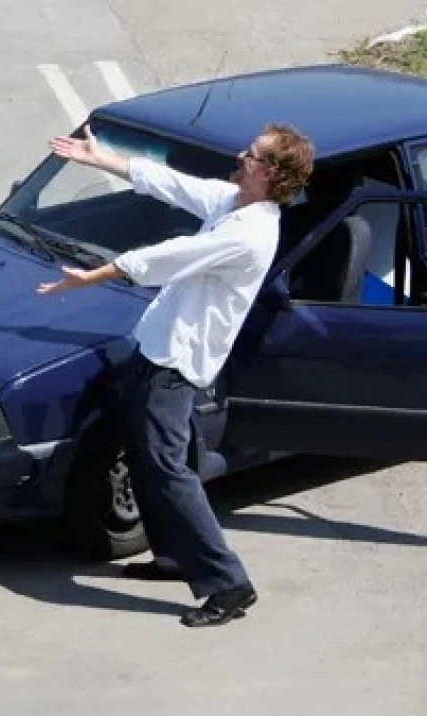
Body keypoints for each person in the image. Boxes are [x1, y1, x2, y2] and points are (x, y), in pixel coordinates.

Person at [37, 122, 315, 627]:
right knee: (161, 459)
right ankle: (173, 557)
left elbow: (170, 257)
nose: (240, 153)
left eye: (251, 153)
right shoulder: (235, 202)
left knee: (166, 468)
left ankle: (229, 585)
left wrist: (96, 275)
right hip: (161, 350)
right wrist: (100, 158)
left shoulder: (249, 232)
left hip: (174, 364)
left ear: (270, 172)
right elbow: (171, 182)